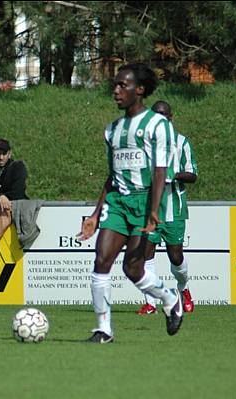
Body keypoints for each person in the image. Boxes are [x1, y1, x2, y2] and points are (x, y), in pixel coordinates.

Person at [77, 63, 183, 344]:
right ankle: (103, 329)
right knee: (101, 260)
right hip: (119, 202)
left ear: (140, 90)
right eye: (115, 84)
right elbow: (111, 176)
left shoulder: (157, 125)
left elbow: (160, 171)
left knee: (133, 269)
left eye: (123, 85)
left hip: (146, 201)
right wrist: (95, 214)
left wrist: (153, 211)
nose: (116, 90)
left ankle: (169, 298)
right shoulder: (112, 130)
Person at [136, 100, 198, 315]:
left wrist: (172, 175)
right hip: (149, 209)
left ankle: (184, 289)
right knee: (146, 256)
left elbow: (192, 175)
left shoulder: (181, 142)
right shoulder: (143, 144)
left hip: (174, 210)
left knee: (176, 257)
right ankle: (151, 303)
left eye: (164, 115)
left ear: (171, 117)